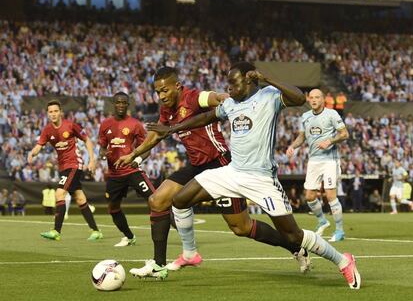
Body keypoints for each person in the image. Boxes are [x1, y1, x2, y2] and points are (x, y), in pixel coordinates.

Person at [149, 62, 361, 289]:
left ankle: (343, 260)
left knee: (293, 236)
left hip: (261, 179)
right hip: (232, 172)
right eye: (227, 83)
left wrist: (267, 78)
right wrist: (172, 129)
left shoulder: (269, 96)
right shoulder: (230, 103)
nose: (228, 88)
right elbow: (206, 118)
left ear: (250, 80)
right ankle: (190, 253)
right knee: (180, 200)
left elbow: (299, 99)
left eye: (233, 82)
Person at [115, 66, 310, 279]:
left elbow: (217, 98)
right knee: (158, 200)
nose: (161, 96)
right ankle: (160, 265)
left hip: (220, 164)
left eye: (165, 91)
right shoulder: (167, 109)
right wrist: (134, 154)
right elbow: (156, 136)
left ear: (177, 86)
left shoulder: (194, 98)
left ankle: (295, 247)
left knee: (241, 228)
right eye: (157, 92)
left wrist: (237, 98)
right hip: (196, 165)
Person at [28, 100, 102, 241]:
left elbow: (87, 140)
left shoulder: (71, 125)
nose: (53, 114)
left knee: (59, 193)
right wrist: (32, 153)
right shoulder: (47, 130)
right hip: (63, 167)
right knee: (80, 198)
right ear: (48, 114)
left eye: (56, 111)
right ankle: (96, 231)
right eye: (50, 112)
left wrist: (92, 160)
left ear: (60, 112)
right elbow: (39, 146)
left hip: (74, 164)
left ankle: (56, 231)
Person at [287, 89, 349, 242]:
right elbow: (302, 136)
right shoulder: (305, 116)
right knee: (309, 196)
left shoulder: (332, 114)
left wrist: (331, 141)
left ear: (322, 100)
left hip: (330, 160)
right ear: (308, 100)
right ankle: (322, 221)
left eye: (317, 97)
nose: (314, 100)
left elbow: (345, 134)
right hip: (314, 160)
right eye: (312, 98)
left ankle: (340, 231)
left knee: (330, 194)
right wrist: (293, 146)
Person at [98, 91, 155, 247]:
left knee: (156, 200)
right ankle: (129, 237)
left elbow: (147, 148)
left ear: (128, 105)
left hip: (132, 171)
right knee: (113, 208)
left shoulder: (135, 124)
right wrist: (103, 154)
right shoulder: (105, 124)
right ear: (113, 104)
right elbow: (102, 148)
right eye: (118, 102)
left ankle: (183, 235)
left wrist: (137, 159)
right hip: (114, 175)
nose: (121, 105)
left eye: (124, 102)